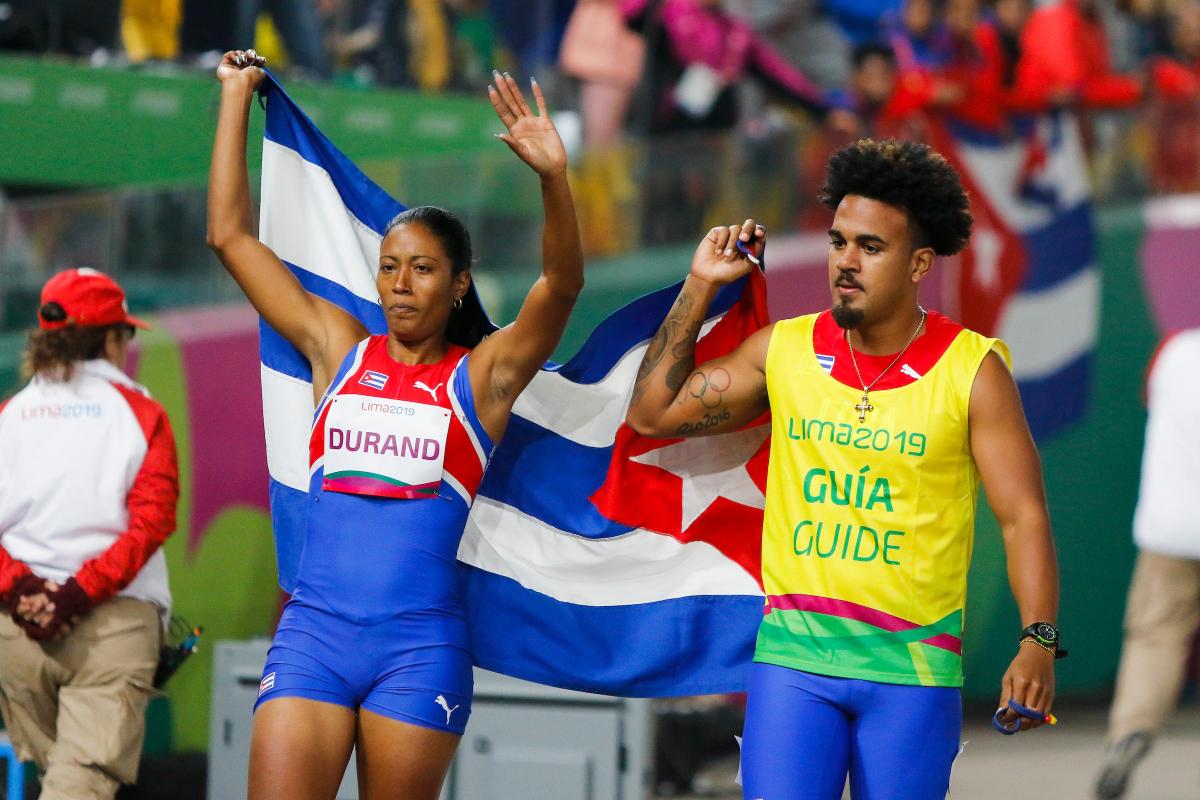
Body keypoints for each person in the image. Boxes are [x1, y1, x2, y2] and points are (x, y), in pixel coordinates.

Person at [626, 138, 1062, 799]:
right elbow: (653, 413)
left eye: (870, 247)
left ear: (919, 262)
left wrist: (1038, 639)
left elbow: (1023, 515)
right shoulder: (786, 351)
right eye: (837, 242)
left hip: (913, 673)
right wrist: (699, 285)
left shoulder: (973, 371)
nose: (845, 262)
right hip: (792, 663)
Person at [207, 50, 583, 800]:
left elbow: (561, 285)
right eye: (388, 267)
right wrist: (233, 97)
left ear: (458, 283)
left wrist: (553, 179)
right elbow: (230, 237)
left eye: (421, 268)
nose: (400, 284)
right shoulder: (336, 348)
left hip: (417, 652)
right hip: (313, 638)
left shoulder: (482, 379)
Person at [0, 267, 178, 800]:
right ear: (110, 338)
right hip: (112, 626)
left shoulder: (11, 414)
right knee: (79, 784)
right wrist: (76, 594)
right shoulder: (142, 413)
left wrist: (23, 589)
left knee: (60, 774)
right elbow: (153, 521)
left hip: (16, 628)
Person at [1095, 328, 1200, 800]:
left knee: (1154, 638)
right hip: (1168, 528)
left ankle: (1130, 734)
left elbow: (1148, 402)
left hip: (1169, 529)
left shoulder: (1173, 351)